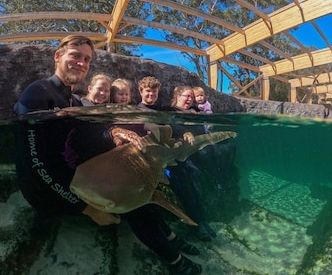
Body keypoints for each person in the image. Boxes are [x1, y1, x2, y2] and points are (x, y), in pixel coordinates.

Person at [14, 35, 201, 275]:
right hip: (45, 193)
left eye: (87, 59)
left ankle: (171, 236)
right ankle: (174, 260)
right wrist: (86, 207)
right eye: (75, 55)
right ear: (58, 56)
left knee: (136, 185)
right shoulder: (37, 94)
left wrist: (114, 132)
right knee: (132, 201)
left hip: (69, 178)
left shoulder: (71, 100)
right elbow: (34, 164)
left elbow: (89, 135)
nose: (81, 63)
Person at [167, 86, 217, 242]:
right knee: (187, 190)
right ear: (177, 97)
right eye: (186, 96)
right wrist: (183, 132)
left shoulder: (195, 112)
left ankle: (202, 221)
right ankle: (195, 225)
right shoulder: (170, 112)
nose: (189, 99)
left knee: (197, 190)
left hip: (192, 159)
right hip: (175, 161)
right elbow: (171, 127)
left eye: (191, 97)